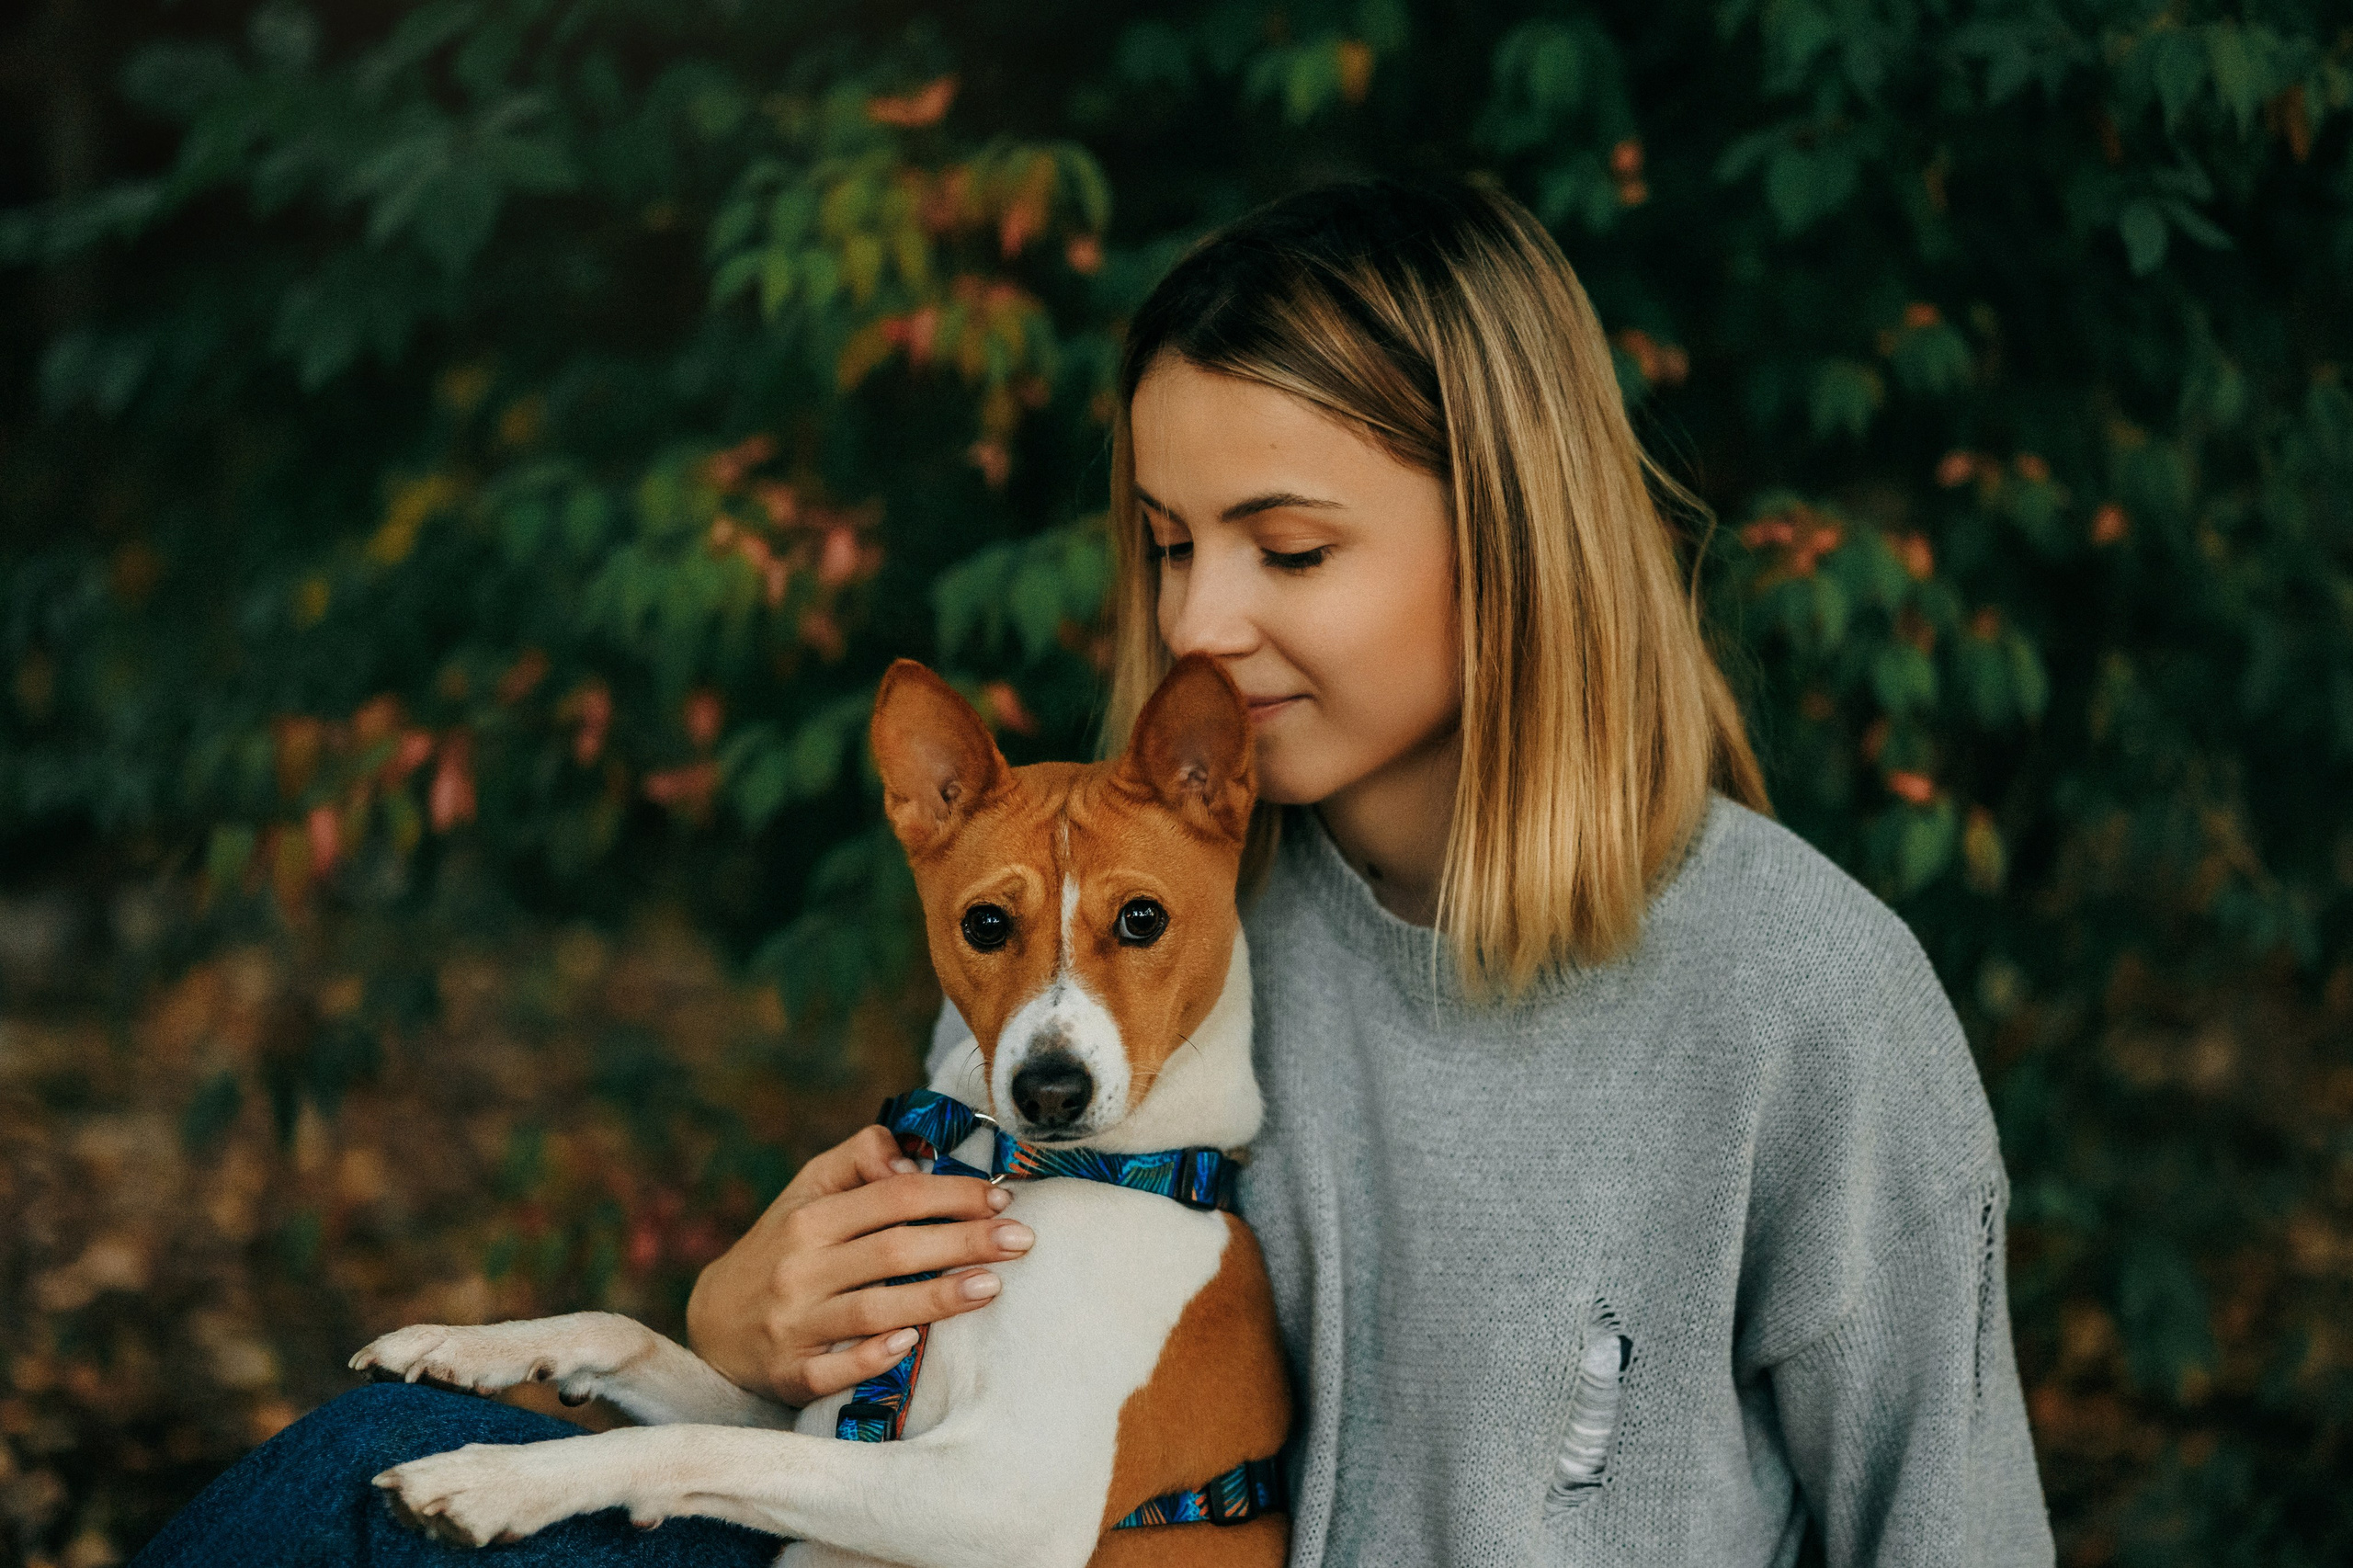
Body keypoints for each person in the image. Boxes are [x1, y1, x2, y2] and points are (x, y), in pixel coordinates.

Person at [133, 178, 2052, 1567]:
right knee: (356, 1476)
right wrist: (744, 1317)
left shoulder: (1795, 994)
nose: (1199, 615)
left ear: (1511, 536)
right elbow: (924, 1382)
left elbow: (1946, 1526)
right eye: (1161, 542)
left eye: (1287, 550)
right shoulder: (1145, 894)